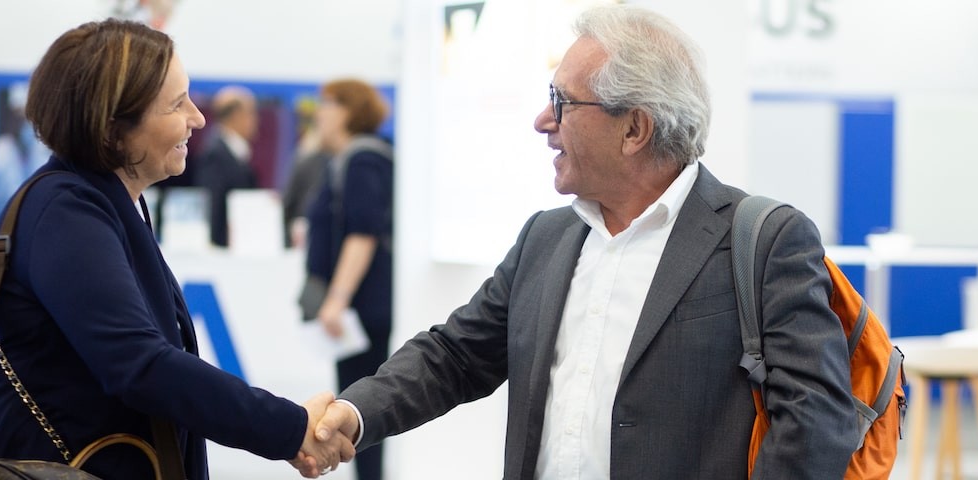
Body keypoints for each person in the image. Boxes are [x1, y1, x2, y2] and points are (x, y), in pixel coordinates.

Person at [311, 5, 858, 479]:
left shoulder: (764, 241)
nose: (542, 120)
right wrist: (354, 413)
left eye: (563, 101)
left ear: (634, 129)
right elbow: (454, 356)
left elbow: (815, 420)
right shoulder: (547, 238)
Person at [0, 19, 349, 480]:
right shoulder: (65, 210)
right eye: (177, 104)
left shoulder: (108, 202)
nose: (197, 119)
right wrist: (288, 426)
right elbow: (140, 364)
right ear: (111, 128)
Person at [302, 78, 393, 480]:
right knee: (358, 403)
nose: (319, 114)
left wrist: (337, 299)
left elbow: (364, 232)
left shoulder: (362, 159)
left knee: (361, 407)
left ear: (347, 112)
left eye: (327, 105)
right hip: (361, 306)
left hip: (362, 308)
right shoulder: (344, 159)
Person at [194, 85, 260, 248]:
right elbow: (212, 204)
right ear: (237, 115)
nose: (256, 120)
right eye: (252, 113)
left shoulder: (234, 152)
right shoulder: (216, 155)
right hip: (224, 248)